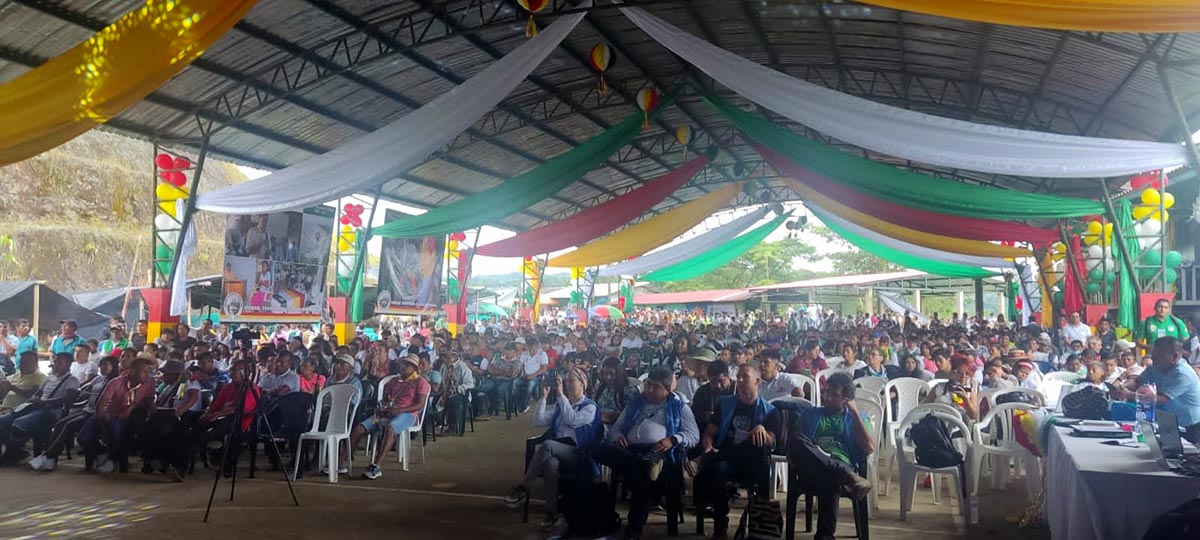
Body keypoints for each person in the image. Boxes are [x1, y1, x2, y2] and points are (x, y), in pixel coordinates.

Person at [596, 365, 700, 540]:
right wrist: (619, 436)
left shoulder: (679, 407)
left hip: (659, 454)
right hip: (629, 451)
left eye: (655, 386)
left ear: (667, 390)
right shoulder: (636, 403)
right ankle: (643, 466)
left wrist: (673, 439)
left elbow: (693, 435)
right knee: (597, 449)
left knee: (641, 475)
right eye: (648, 384)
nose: (649, 389)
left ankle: (634, 528)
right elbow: (616, 428)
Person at [504, 367, 602, 531]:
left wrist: (561, 395)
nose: (568, 385)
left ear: (583, 384)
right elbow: (539, 420)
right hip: (558, 452)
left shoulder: (590, 407)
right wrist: (543, 396)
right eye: (567, 381)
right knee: (550, 465)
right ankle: (552, 513)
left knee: (548, 445)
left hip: (580, 454)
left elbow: (572, 420)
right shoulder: (561, 405)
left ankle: (523, 487)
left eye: (572, 381)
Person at [784, 372, 874, 540]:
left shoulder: (856, 419)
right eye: (826, 392)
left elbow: (868, 449)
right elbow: (795, 444)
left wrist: (854, 413)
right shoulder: (811, 414)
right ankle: (843, 473)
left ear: (847, 398)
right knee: (797, 439)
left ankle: (825, 536)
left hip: (838, 468)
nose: (828, 398)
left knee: (830, 478)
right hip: (812, 469)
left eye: (835, 395)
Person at [694, 364, 779, 538]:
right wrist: (708, 445)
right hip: (726, 461)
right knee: (717, 468)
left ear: (757, 382)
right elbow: (709, 432)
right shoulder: (725, 404)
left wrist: (762, 431)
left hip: (752, 461)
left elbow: (772, 442)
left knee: (758, 448)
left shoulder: (770, 411)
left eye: (745, 377)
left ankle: (760, 524)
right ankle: (720, 522)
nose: (739, 380)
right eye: (738, 376)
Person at [348, 354, 430, 480]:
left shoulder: (420, 382)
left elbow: (419, 405)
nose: (402, 367)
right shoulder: (393, 381)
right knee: (359, 428)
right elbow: (386, 399)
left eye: (407, 365)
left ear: (414, 368)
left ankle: (377, 465)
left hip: (407, 414)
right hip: (387, 412)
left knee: (390, 428)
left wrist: (399, 410)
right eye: (402, 364)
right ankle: (342, 461)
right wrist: (382, 408)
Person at [32, 355, 119, 472]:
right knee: (60, 424)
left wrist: (91, 395)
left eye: (106, 365)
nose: (102, 367)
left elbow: (108, 398)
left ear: (113, 367)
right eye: (101, 365)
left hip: (99, 412)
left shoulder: (115, 382)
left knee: (69, 426)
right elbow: (85, 390)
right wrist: (84, 393)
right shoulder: (98, 379)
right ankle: (51, 458)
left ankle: (47, 456)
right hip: (87, 409)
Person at [0, 352, 79, 465]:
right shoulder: (50, 378)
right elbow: (38, 393)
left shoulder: (72, 380)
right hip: (37, 409)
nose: (56, 364)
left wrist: (44, 402)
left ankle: (16, 451)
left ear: (68, 364)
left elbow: (67, 400)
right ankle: (15, 451)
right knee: (3, 421)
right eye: (55, 361)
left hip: (52, 412)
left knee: (19, 424)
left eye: (59, 362)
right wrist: (33, 399)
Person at [1117, 337, 1200, 443]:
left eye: (1158, 356)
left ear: (1174, 357)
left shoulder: (1183, 374)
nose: (1153, 359)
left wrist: (1128, 395)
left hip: (1192, 425)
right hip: (1172, 422)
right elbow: (1138, 381)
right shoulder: (1157, 366)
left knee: (1189, 455)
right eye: (1153, 355)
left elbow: (1161, 398)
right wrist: (1123, 387)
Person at [79, 356, 155, 473]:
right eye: (144, 371)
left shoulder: (149, 382)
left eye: (148, 372)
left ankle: (113, 460)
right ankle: (101, 452)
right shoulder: (116, 382)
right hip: (107, 413)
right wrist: (102, 424)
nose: (147, 374)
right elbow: (101, 404)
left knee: (118, 430)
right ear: (133, 370)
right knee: (83, 437)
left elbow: (148, 399)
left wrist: (132, 406)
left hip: (127, 416)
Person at [924, 353, 980, 422]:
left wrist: (965, 399)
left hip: (958, 427)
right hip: (938, 424)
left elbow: (974, 415)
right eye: (959, 372)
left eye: (967, 373)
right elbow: (925, 406)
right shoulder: (939, 387)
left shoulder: (970, 392)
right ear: (953, 372)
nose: (963, 376)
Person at [690, 360, 734, 435]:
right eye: (713, 381)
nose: (718, 385)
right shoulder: (702, 392)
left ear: (728, 377)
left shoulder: (739, 391)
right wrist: (706, 416)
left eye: (722, 381)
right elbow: (692, 416)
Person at [594, 357, 640, 425]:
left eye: (611, 374)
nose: (608, 377)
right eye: (605, 373)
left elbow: (632, 416)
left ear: (619, 374)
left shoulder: (630, 391)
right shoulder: (602, 388)